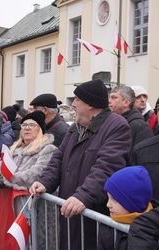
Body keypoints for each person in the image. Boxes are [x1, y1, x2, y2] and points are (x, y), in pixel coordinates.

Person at [30, 79, 132, 250]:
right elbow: (59, 157)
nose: (74, 104)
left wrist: (83, 196)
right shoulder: (76, 127)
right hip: (72, 210)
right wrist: (45, 181)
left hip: (94, 214)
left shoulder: (117, 126)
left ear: (90, 105)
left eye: (77, 100)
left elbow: (106, 167)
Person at [0, 111, 57, 249]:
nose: (27, 128)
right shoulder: (15, 148)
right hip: (15, 205)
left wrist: (6, 180)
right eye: (24, 125)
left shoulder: (48, 149)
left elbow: (35, 174)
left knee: (33, 241)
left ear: (40, 130)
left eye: (32, 125)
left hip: (36, 208)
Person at [99, 166, 153, 250]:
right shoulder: (107, 227)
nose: (108, 204)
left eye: (114, 199)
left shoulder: (153, 230)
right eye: (108, 198)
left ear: (131, 203)